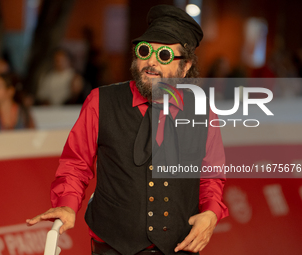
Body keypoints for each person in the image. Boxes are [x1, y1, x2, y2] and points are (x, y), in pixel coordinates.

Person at [27, 5, 228, 255]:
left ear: (185, 67)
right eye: (144, 51)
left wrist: (210, 212)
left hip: (179, 248)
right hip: (112, 247)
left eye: (164, 55)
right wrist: (67, 205)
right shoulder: (100, 102)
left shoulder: (203, 113)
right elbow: (76, 164)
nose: (151, 62)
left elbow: (211, 176)